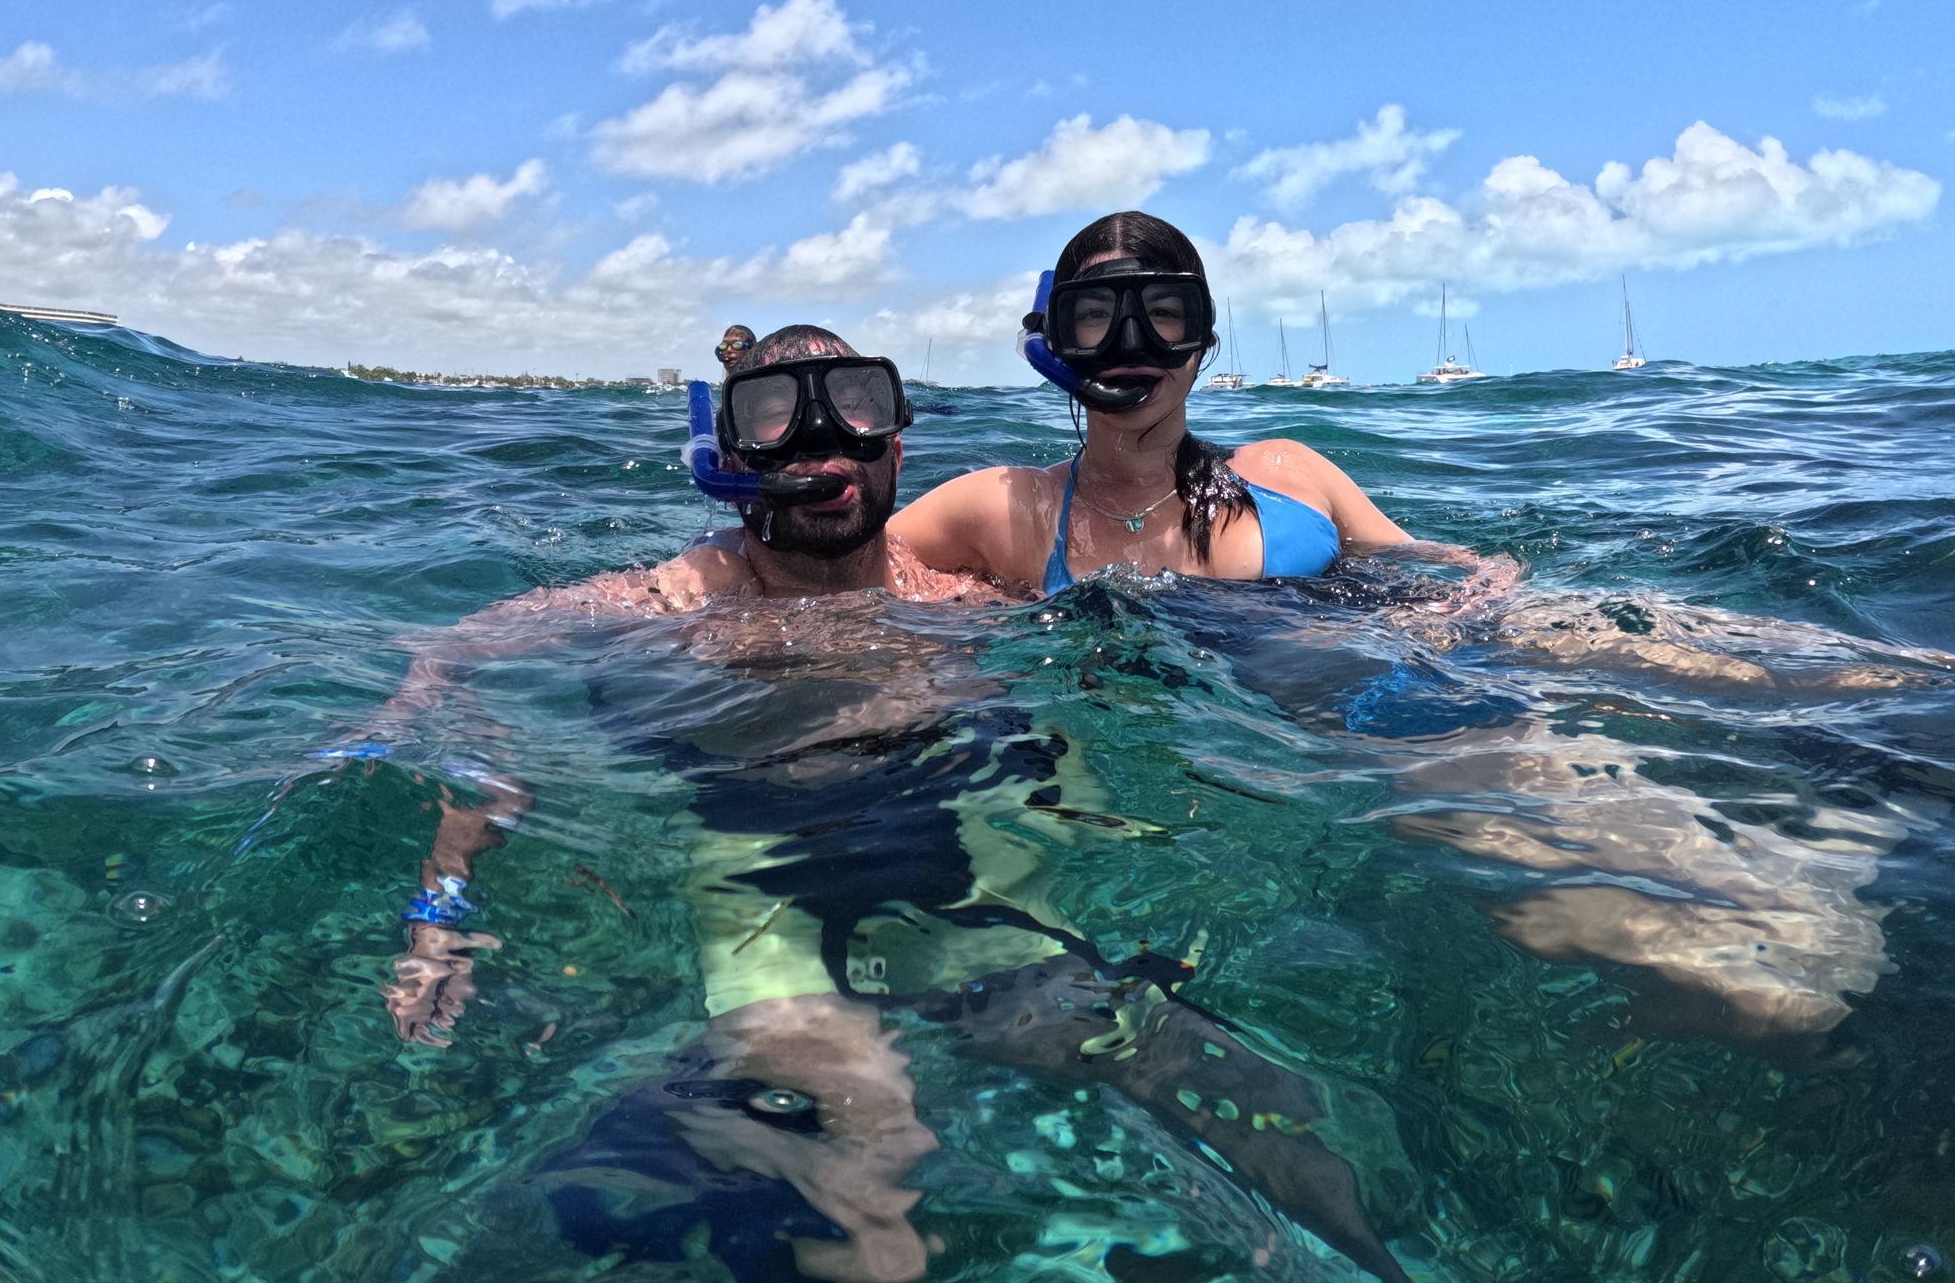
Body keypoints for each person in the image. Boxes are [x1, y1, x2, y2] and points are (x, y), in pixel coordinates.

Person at [369, 323, 1413, 1283]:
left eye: (857, 424)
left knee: (1245, 1097)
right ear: (734, 461)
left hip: (972, 889)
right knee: (869, 1170)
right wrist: (440, 909)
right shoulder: (668, 605)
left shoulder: (962, 602)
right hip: (768, 902)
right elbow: (446, 670)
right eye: (782, 428)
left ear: (897, 452)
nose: (826, 455)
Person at [893, 210, 1512, 595]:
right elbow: (840, 578)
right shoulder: (1009, 508)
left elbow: (1459, 574)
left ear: (1203, 339)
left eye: (1164, 314)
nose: (1130, 344)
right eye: (1095, 318)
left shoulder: (1289, 473)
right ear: (1054, 345)